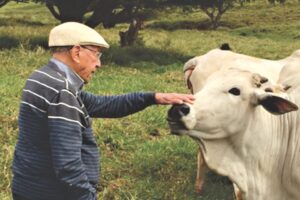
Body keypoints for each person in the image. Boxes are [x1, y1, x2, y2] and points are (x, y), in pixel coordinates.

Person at [11, 22, 194, 200]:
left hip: (28, 185)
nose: (99, 64)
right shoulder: (63, 92)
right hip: (51, 192)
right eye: (97, 55)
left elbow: (103, 104)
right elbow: (68, 165)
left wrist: (153, 97)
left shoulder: (42, 77)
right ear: (76, 52)